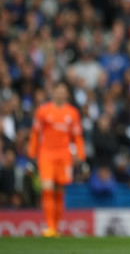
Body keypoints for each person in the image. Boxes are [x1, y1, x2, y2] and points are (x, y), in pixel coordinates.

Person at [27, 82, 86, 237]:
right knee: (47, 188)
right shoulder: (43, 111)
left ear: (67, 94)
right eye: (58, 91)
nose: (60, 94)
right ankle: (50, 227)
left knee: (59, 191)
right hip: (46, 154)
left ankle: (57, 228)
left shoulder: (72, 113)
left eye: (63, 92)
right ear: (53, 92)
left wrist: (81, 154)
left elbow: (77, 136)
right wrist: (32, 153)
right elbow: (35, 133)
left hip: (64, 156)